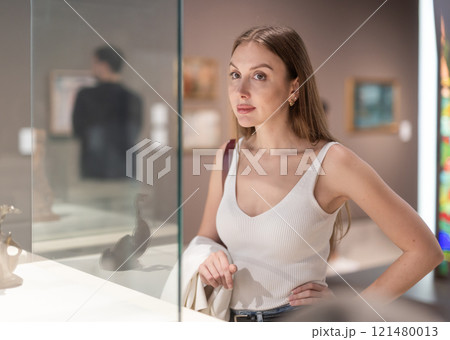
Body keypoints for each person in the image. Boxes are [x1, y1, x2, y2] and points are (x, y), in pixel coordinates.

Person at [195, 25, 444, 322]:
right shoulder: (228, 155)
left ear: (293, 88)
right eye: (235, 75)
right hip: (227, 322)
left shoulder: (332, 162)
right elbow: (205, 239)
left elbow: (425, 251)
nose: (241, 90)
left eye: (259, 76)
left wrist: (351, 310)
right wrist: (207, 257)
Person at [72, 45, 142, 179]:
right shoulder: (133, 98)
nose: (92, 68)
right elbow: (133, 133)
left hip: (95, 169)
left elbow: (78, 130)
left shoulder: (86, 96)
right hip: (123, 170)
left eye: (94, 63)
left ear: (103, 65)